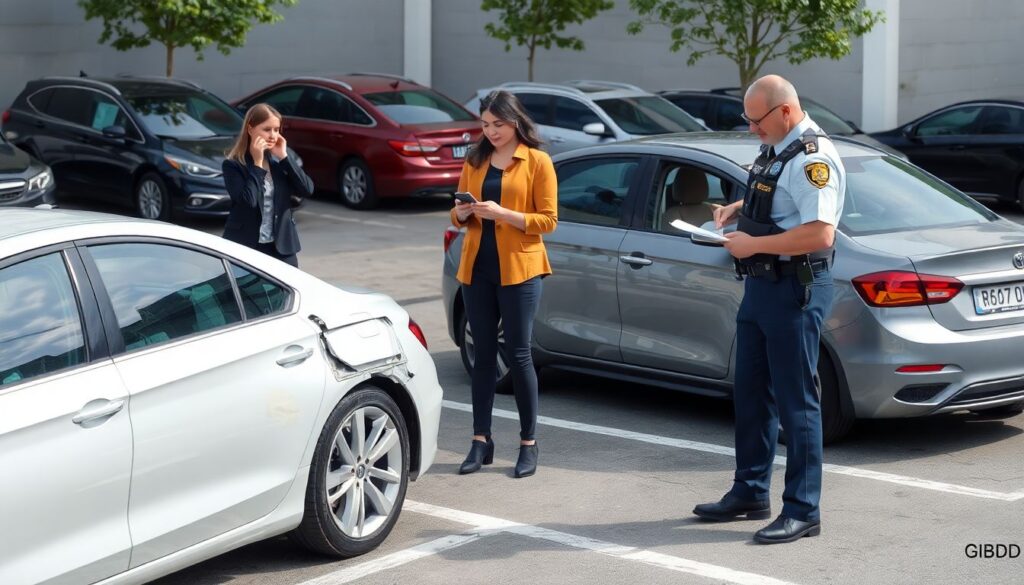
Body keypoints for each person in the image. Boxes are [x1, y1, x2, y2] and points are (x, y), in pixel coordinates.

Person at [693, 75, 846, 544]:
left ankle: (803, 509)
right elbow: (781, 198)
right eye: (747, 119)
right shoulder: (782, 145)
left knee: (797, 401)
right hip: (762, 285)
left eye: (756, 120)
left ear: (784, 111)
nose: (751, 129)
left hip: (793, 289)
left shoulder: (813, 158)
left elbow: (820, 233)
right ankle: (750, 491)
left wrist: (755, 242)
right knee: (752, 391)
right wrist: (738, 209)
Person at [451, 90, 557, 479]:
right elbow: (457, 214)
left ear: (515, 122)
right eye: (484, 125)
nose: (491, 132)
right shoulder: (475, 159)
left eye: (497, 124)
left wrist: (504, 214)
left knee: (519, 354)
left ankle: (528, 444)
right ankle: (481, 441)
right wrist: (461, 211)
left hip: (521, 270)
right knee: (481, 357)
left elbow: (548, 220)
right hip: (477, 269)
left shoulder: (538, 161)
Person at [223, 103, 313, 267]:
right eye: (267, 129)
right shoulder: (233, 165)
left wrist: (284, 157)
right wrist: (257, 165)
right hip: (246, 245)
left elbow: (307, 189)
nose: (273, 135)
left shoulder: (279, 162)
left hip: (282, 247)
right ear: (250, 129)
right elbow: (247, 202)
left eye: (276, 129)